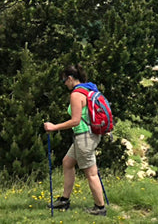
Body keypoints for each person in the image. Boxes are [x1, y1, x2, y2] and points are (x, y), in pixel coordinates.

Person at [43, 65, 107, 216]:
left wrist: (54, 127)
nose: (64, 83)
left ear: (70, 78)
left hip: (85, 137)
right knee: (67, 162)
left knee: (91, 173)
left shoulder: (76, 95)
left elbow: (75, 121)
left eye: (64, 80)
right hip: (89, 134)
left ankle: (100, 208)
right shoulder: (89, 89)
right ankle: (64, 200)